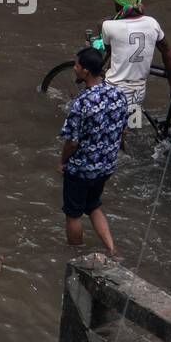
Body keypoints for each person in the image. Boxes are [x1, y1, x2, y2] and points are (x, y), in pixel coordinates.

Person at [59, 47, 129, 256]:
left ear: (86, 71)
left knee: (73, 214)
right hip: (106, 166)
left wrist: (62, 162)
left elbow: (72, 142)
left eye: (77, 65)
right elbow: (124, 130)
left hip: (82, 169)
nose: (74, 68)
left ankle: (76, 256)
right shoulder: (118, 94)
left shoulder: (82, 102)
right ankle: (112, 249)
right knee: (93, 206)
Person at [99, 0, 171, 118]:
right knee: (131, 125)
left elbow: (109, 51)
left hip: (114, 91)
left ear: (118, 5)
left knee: (107, 131)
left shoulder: (108, 26)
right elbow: (167, 52)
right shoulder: (152, 23)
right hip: (139, 91)